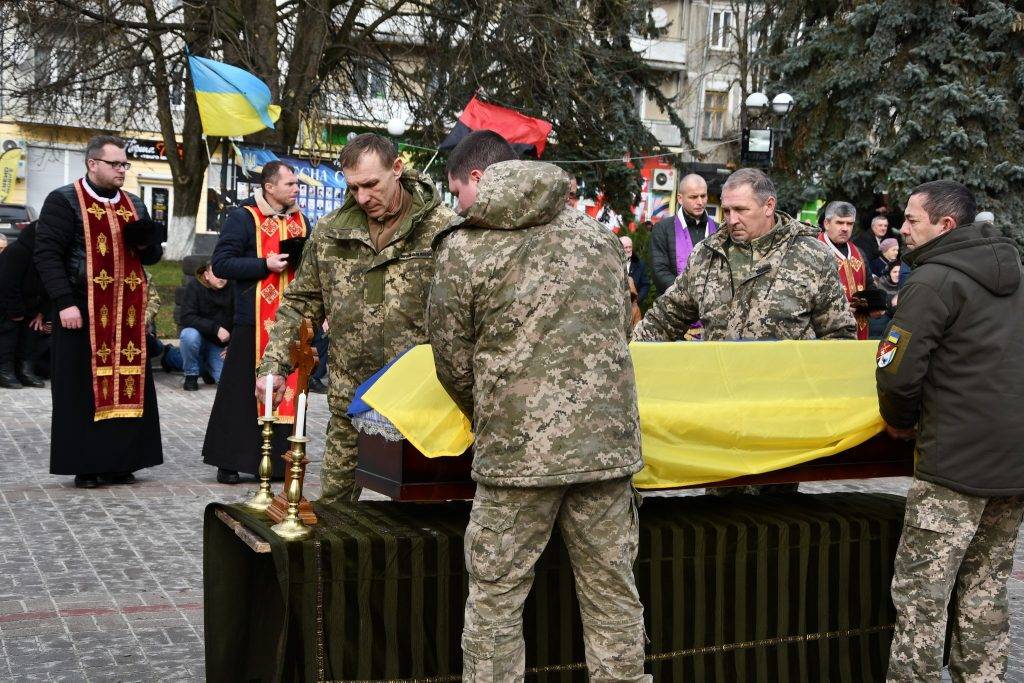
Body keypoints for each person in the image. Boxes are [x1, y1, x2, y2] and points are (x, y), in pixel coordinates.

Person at [429, 130, 649, 682]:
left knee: (496, 600)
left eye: (457, 194)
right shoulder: (596, 238)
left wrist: (497, 412)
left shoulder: (465, 246)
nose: (458, 206)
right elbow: (621, 328)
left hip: (516, 456)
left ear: (477, 179)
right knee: (613, 597)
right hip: (605, 451)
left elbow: (452, 358)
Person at [877, 180, 1024, 681]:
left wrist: (899, 421)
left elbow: (897, 370)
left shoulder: (933, 280)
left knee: (923, 595)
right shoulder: (1018, 274)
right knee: (986, 591)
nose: (902, 228)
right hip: (1013, 464)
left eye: (912, 219)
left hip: (952, 464)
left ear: (945, 225)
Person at [256, 133, 454, 503]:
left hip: (420, 401)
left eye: (370, 184)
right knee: (333, 507)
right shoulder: (332, 231)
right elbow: (302, 302)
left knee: (424, 512)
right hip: (351, 396)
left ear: (397, 169)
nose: (362, 197)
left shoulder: (442, 230)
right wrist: (274, 365)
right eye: (353, 187)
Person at [34, 135, 164, 488]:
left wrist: (148, 241)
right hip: (81, 306)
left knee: (128, 383)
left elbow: (151, 257)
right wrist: (63, 302)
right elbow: (46, 255)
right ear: (93, 164)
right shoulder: (64, 200)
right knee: (81, 389)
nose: (122, 170)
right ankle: (87, 464)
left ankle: (123, 461)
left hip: (127, 312)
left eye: (125, 164)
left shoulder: (134, 202)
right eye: (115, 164)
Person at [633, 168, 856, 343]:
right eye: (727, 211)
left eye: (741, 210)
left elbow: (838, 335)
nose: (731, 220)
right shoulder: (706, 255)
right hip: (721, 392)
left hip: (784, 395)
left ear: (769, 206)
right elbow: (664, 318)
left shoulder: (812, 255)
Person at [204, 160, 307, 485]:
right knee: (239, 392)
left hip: (290, 320)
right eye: (289, 184)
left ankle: (278, 462)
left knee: (285, 388)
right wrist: (265, 264)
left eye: (296, 184)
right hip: (252, 319)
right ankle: (229, 460)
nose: (295, 189)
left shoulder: (301, 221)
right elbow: (222, 264)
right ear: (269, 187)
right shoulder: (243, 217)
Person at [165, 261, 232, 391]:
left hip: (219, 345)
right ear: (206, 275)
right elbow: (186, 316)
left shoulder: (233, 288)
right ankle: (182, 367)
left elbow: (240, 317)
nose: (222, 277)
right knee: (189, 336)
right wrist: (215, 328)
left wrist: (233, 345)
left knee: (225, 381)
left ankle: (205, 369)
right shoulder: (194, 287)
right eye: (217, 273)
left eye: (224, 274)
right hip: (198, 339)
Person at [818, 200, 880, 340]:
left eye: (849, 223)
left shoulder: (859, 253)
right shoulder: (813, 250)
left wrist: (877, 304)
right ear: (827, 224)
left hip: (859, 330)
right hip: (827, 333)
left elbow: (870, 286)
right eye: (839, 223)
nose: (845, 228)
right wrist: (841, 309)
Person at [649, 173, 718, 295]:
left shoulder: (718, 229)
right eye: (693, 197)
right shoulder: (662, 229)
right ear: (680, 199)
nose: (700, 202)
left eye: (703, 196)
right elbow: (660, 271)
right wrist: (688, 296)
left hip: (712, 306)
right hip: (676, 305)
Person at [0, 222, 49, 388]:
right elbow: (7, 285)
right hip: (7, 305)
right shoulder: (17, 252)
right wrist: (16, 312)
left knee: (32, 332)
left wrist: (41, 313)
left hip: (32, 306)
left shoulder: (48, 256)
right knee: (9, 332)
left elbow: (50, 286)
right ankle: (5, 371)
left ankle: (25, 370)